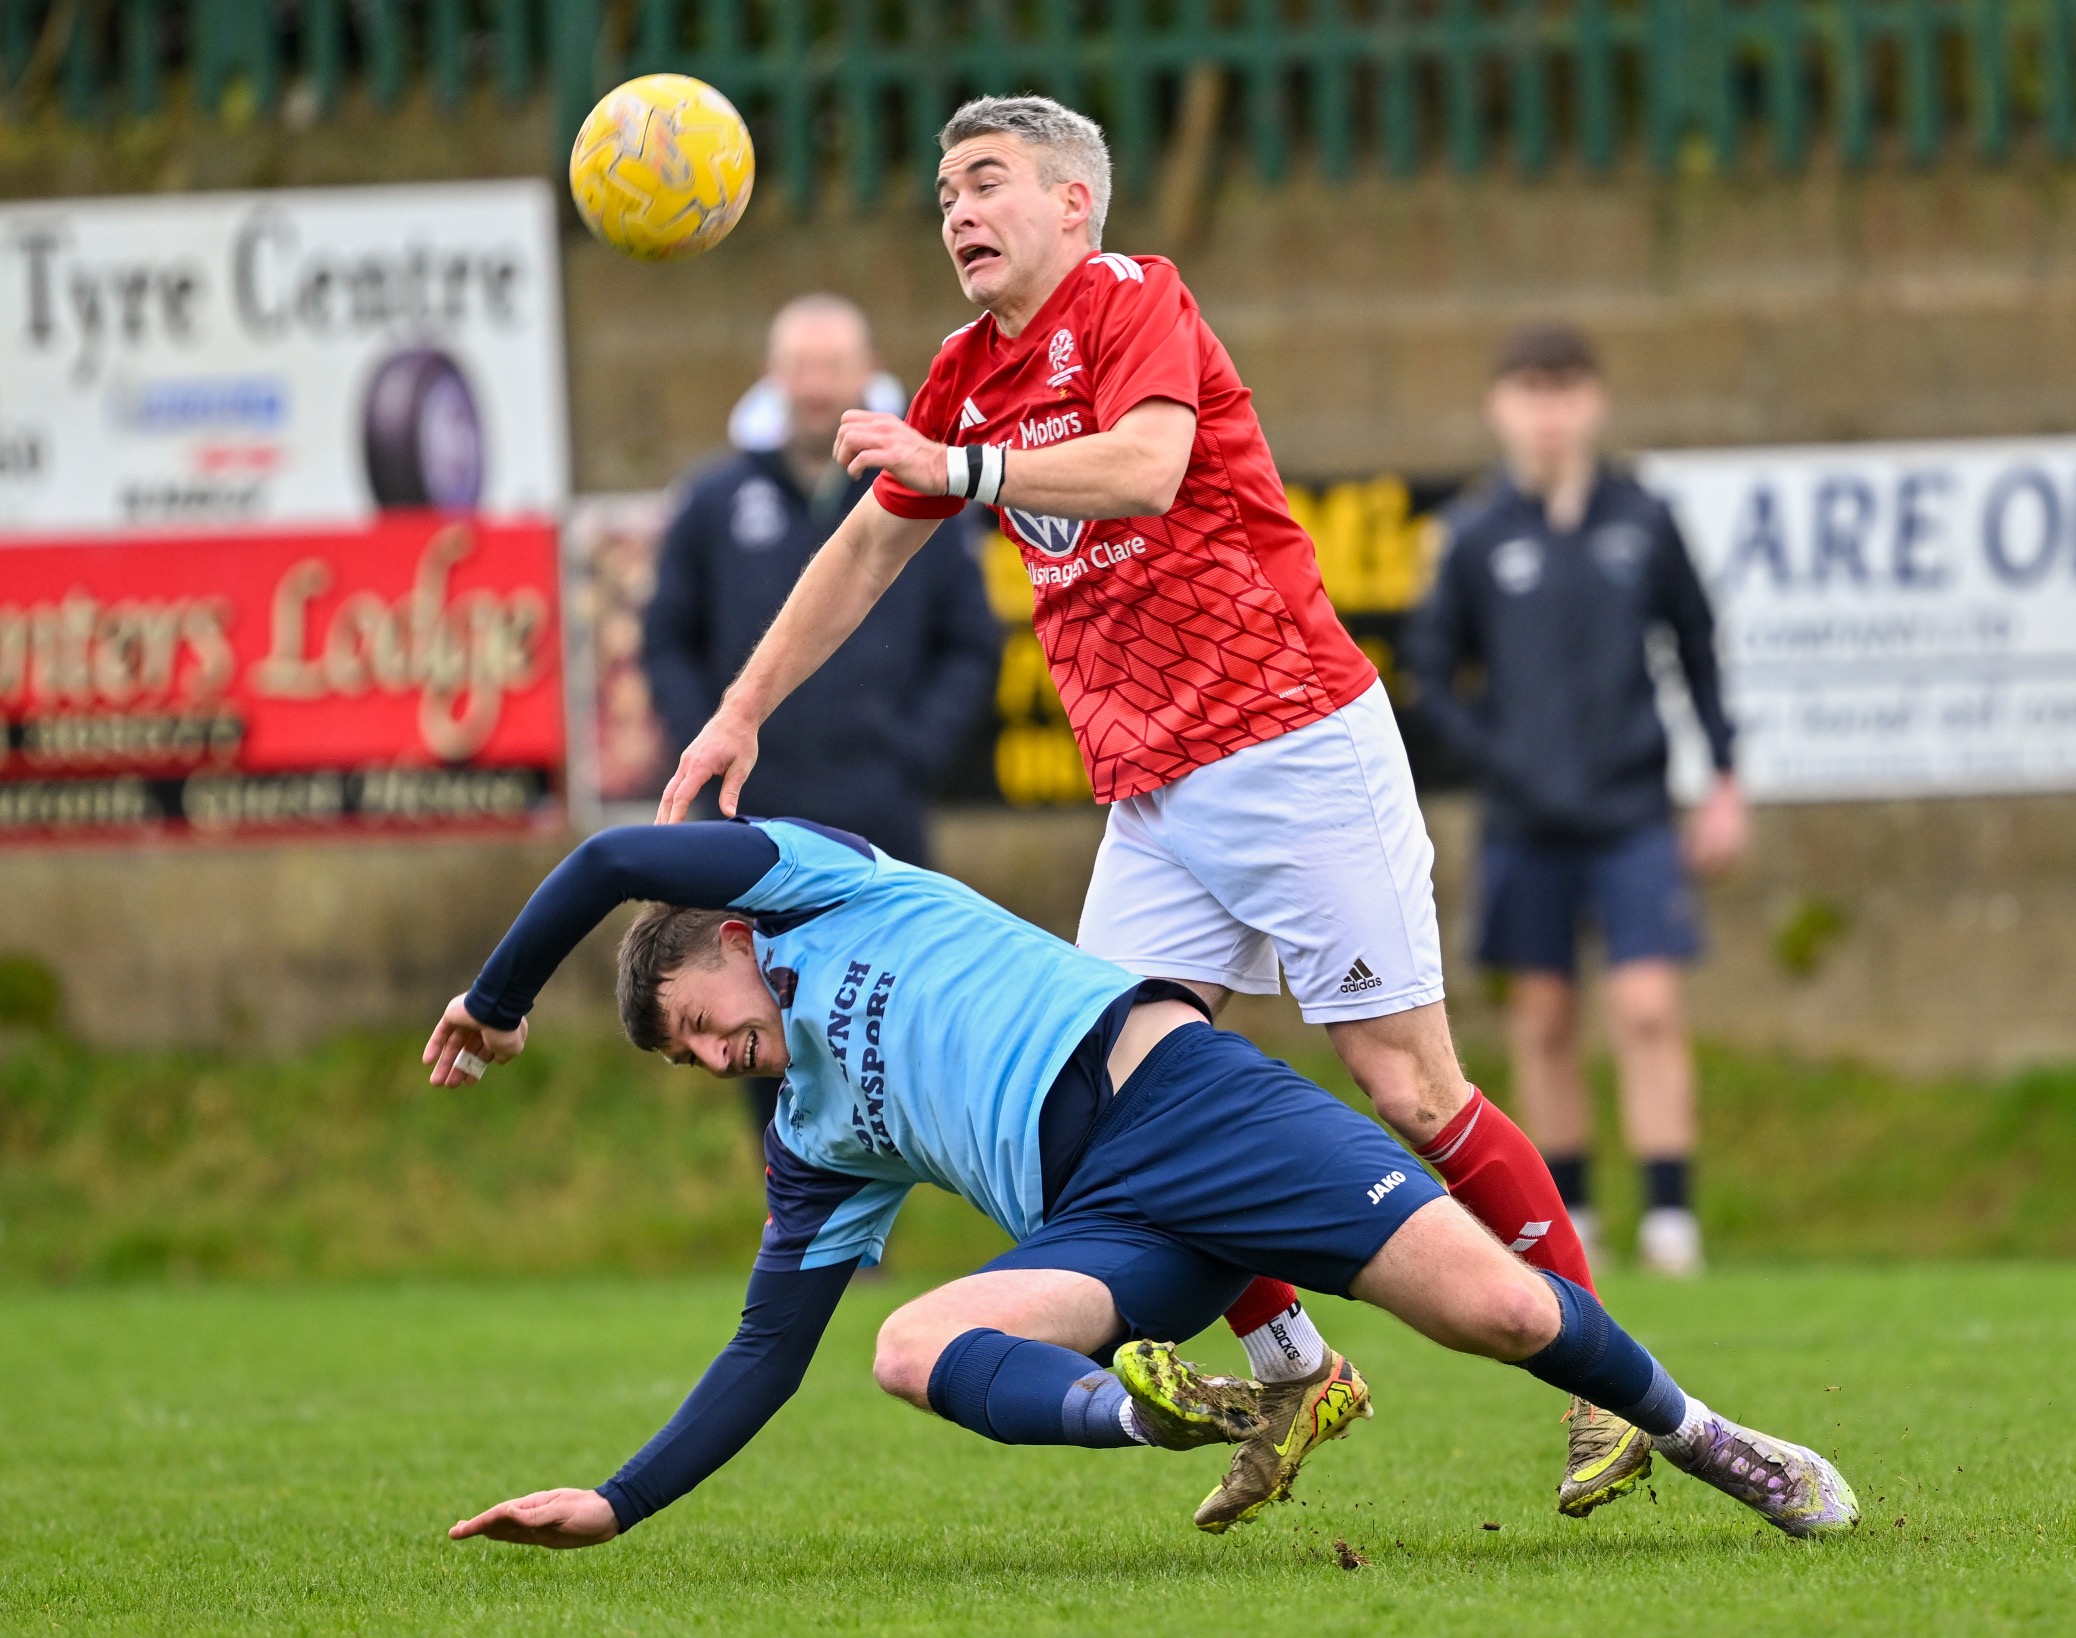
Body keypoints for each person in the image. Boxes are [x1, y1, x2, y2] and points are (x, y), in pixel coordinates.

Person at [648, 95, 1647, 1522]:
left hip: (1292, 741)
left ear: (1075, 205)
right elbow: (867, 545)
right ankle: (1298, 1368)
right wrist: (744, 709)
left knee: (1410, 1087)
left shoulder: (1134, 300)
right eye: (942, 192)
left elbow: (1148, 465)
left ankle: (1600, 1389)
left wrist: (967, 471)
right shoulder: (964, 370)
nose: (956, 212)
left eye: (985, 182)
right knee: (1108, 1111)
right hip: (1158, 792)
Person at [423, 818, 1858, 1549]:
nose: (718, 1053)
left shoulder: (821, 883)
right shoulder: (811, 1138)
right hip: (1104, 1228)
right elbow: (761, 1355)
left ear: (733, 935)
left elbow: (613, 855)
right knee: (901, 1344)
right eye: (692, 1060)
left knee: (1501, 1312)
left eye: (701, 1018)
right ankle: (1159, 1409)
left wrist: (495, 995)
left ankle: (1702, 1432)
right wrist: (614, 1503)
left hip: (1183, 1099)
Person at [1406, 324, 1747, 1277]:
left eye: (1565, 389)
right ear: (1499, 406)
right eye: (1529, 390)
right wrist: (1498, 760)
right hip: (1524, 823)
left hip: (1632, 812)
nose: (1548, 411)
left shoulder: (1644, 518)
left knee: (1646, 1006)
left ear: (1594, 400)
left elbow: (1700, 647)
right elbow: (1431, 675)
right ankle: (1577, 1214)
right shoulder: (1473, 535)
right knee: (1545, 1019)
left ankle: (1672, 1221)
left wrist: (1723, 776)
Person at [642, 293, 1000, 1134]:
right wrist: (705, 751)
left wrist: (913, 752)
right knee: (755, 1011)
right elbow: (665, 643)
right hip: (750, 817)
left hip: (880, 815)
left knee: (894, 1012)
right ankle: (789, 1194)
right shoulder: (711, 503)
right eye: (801, 368)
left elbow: (971, 645)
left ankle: (879, 1192)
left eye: (832, 367)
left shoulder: (924, 498)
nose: (815, 387)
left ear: (866, 373)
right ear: (773, 377)